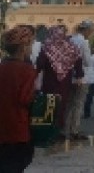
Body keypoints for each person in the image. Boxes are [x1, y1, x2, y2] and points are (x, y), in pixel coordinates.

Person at [0, 26, 37, 172]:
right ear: (23, 47)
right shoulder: (26, 70)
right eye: (31, 44)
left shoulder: (2, 67)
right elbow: (25, 99)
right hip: (18, 129)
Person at [36, 25, 83, 141]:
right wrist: (79, 75)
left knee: (49, 107)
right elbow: (78, 60)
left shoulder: (47, 47)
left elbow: (39, 64)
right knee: (61, 107)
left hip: (50, 83)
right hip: (64, 83)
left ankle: (49, 131)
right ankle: (59, 132)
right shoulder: (71, 47)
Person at [65, 20, 94, 140]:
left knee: (69, 104)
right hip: (82, 77)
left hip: (70, 76)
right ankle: (74, 130)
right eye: (91, 31)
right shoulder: (84, 42)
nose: (91, 34)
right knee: (78, 104)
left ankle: (64, 129)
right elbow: (87, 61)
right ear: (86, 30)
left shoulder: (71, 39)